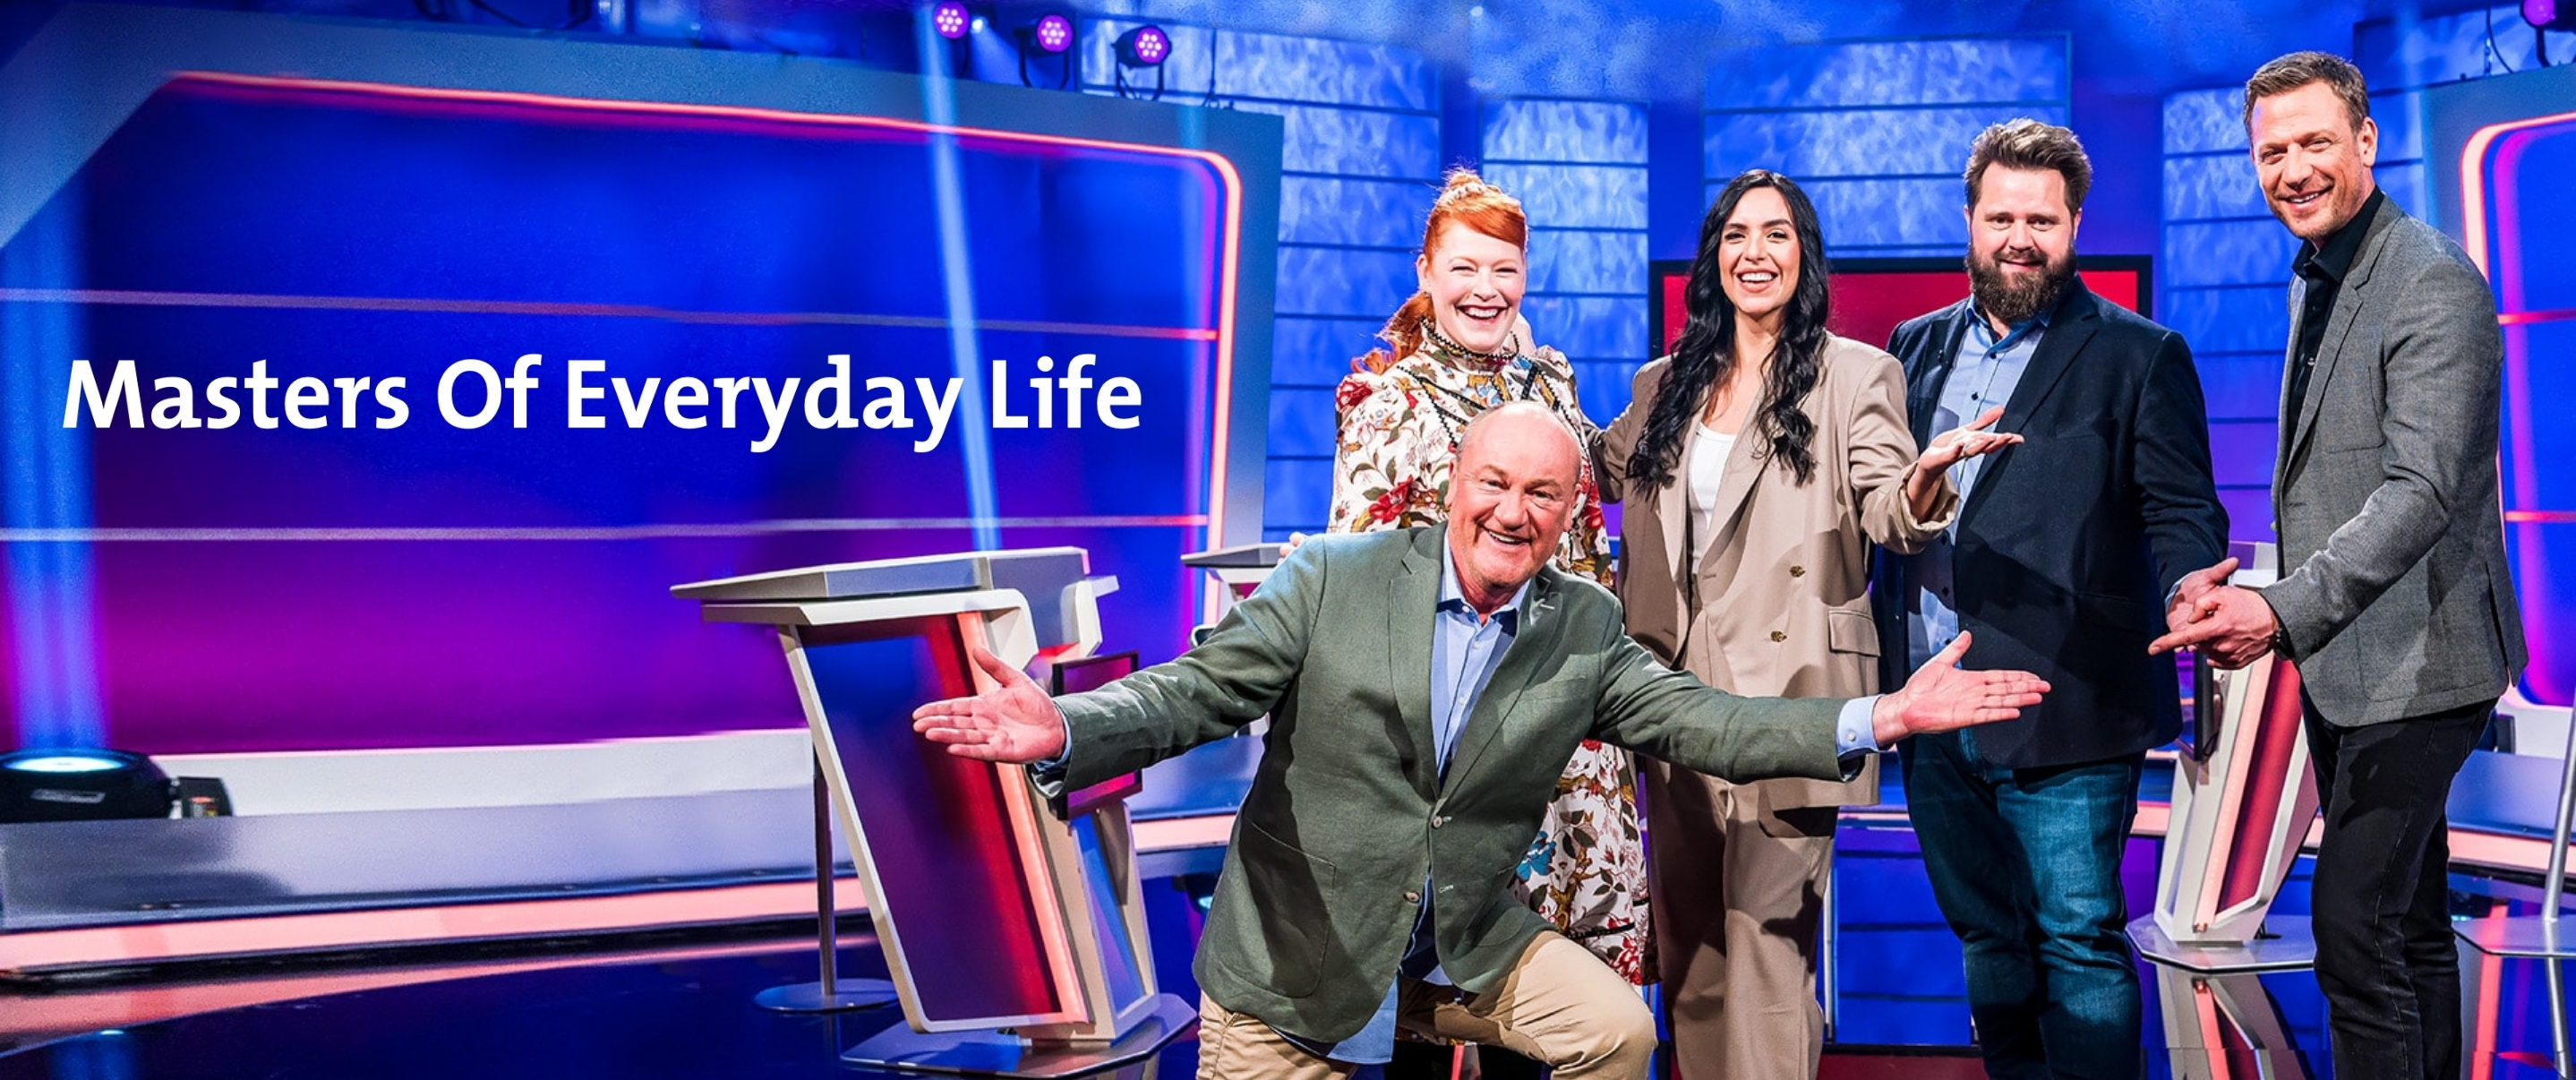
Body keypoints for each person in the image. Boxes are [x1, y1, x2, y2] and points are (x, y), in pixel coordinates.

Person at [913, 403, 2052, 1080]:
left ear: (1571, 515)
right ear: (1451, 485)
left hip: (1455, 943)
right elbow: (1200, 691)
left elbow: (1708, 721)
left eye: (1543, 496)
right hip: (1299, 961)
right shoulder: (1332, 577)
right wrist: (1069, 724)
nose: (1513, 511)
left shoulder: (1581, 626)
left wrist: (1881, 716)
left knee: (1616, 1030)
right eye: (1495, 483)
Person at [1593, 168, 2015, 1080]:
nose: (1756, 253)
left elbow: (1890, 511)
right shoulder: (1662, 384)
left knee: (1767, 960)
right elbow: (1591, 470)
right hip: (1670, 700)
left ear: (1803, 255)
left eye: (1776, 234)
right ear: (1714, 256)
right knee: (1694, 959)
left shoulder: (1855, 375)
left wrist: (1928, 475)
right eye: (1737, 235)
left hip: (1791, 701)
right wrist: (1509, 374)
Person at [2152, 51, 2525, 1080]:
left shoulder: (2430, 279)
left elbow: (2420, 491)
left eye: (2315, 142)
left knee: (2354, 930)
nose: (2293, 169)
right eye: (2271, 152)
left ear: (2365, 139)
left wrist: (2280, 611)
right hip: (2350, 661)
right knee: (2405, 926)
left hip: (2425, 663)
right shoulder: (2321, 271)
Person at [1870, 119, 2228, 1080]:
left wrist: (2188, 583)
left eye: (2042, 220)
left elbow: (2181, 509)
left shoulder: (2139, 353)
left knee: (2077, 940)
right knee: (1987, 937)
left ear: (2074, 226)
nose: (2019, 239)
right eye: (2001, 218)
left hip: (2066, 699)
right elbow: (1885, 500)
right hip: (1933, 704)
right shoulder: (1912, 347)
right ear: (1969, 220)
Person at [1326, 169, 1647, 1062]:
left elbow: (1587, 529)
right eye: (1464, 268)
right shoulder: (1391, 403)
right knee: (1444, 1000)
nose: (1485, 289)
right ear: (1426, 272)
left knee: (1565, 1014)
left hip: (1574, 740)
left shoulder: (1550, 380)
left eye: (1504, 270)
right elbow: (1360, 597)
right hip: (1462, 749)